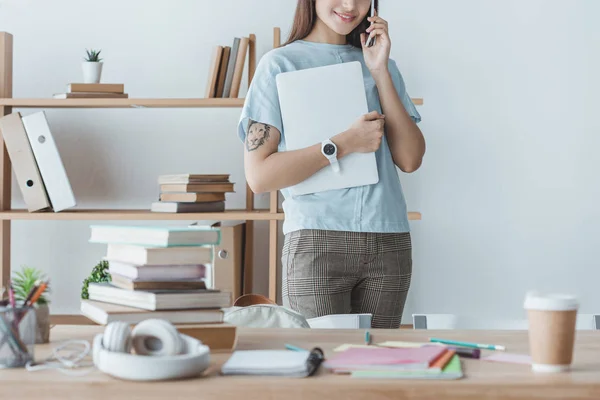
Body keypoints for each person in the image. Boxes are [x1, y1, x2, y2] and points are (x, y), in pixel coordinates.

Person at [237, 0, 425, 328]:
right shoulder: (279, 64)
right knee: (324, 366)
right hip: (316, 240)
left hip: (388, 239)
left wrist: (379, 71)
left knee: (377, 367)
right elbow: (259, 175)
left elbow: (410, 159)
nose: (350, 5)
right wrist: (343, 144)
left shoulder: (384, 65)